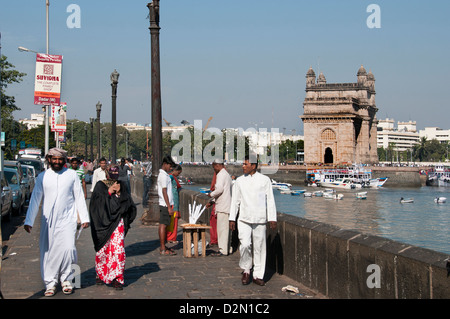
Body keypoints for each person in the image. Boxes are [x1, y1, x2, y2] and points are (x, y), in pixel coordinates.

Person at [24, 147, 90, 297]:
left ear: (64, 161)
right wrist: (29, 220)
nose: (57, 162)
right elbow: (35, 199)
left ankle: (67, 279)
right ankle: (50, 282)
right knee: (49, 252)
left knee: (69, 249)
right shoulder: (42, 176)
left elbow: (79, 196)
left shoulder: (72, 175)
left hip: (68, 219)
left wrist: (84, 218)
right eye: (54, 159)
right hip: (49, 221)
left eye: (60, 159)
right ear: (49, 159)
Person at [229, 156, 277, 286]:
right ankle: (246, 269)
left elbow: (270, 200)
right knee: (245, 245)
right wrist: (232, 218)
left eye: (246, 164)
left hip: (260, 217)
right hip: (244, 218)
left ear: (253, 166)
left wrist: (272, 217)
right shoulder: (239, 181)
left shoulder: (265, 180)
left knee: (260, 247)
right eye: (243, 164)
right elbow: (235, 201)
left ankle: (257, 275)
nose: (243, 166)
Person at [89, 165, 136, 290]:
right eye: (112, 172)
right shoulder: (100, 185)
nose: (114, 175)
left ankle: (118, 278)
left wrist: (120, 194)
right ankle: (101, 274)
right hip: (103, 224)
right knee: (103, 250)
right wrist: (109, 192)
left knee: (117, 250)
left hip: (117, 224)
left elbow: (129, 205)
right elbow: (96, 205)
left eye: (116, 172)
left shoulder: (123, 185)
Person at [207, 159, 232, 256]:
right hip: (226, 204)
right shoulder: (227, 174)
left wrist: (211, 195)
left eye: (214, 167)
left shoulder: (221, 175)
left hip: (223, 206)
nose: (214, 170)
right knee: (227, 230)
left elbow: (220, 190)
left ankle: (223, 250)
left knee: (222, 229)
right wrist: (213, 201)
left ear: (217, 165)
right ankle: (227, 248)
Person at [157, 155, 176, 255]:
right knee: (163, 225)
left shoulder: (165, 175)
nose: (171, 168)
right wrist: (169, 206)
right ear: (165, 164)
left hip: (165, 204)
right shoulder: (163, 176)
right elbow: (164, 191)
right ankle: (162, 248)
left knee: (164, 224)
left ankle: (163, 245)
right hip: (165, 204)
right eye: (170, 166)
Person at [166, 165, 182, 243]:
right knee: (173, 221)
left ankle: (171, 237)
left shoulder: (171, 177)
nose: (178, 174)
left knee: (172, 221)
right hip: (173, 202)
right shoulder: (171, 177)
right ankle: (171, 237)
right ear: (175, 171)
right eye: (178, 173)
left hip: (173, 202)